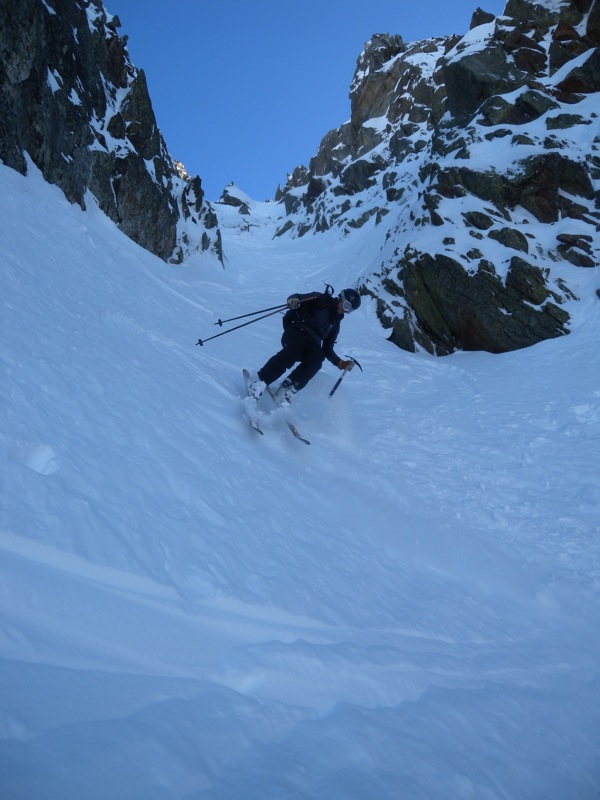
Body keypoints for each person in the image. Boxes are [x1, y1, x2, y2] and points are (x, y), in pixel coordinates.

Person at [247, 287, 361, 404]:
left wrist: (339, 362)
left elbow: (327, 349)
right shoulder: (321, 300)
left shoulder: (335, 324)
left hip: (312, 344)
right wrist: (293, 301)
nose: (345, 310)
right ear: (340, 298)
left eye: (350, 310)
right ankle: (260, 381)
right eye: (346, 305)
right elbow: (297, 297)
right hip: (296, 332)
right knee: (296, 348)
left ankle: (288, 388)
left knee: (317, 359)